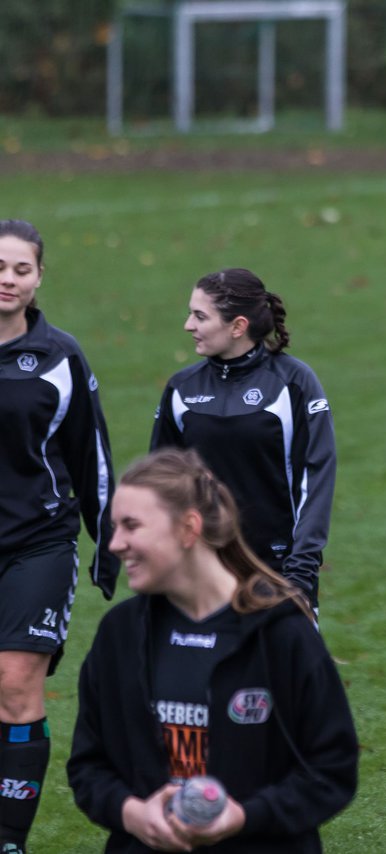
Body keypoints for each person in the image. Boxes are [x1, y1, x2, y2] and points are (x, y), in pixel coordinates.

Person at [67, 448, 358, 853]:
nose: (115, 544)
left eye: (131, 526)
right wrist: (133, 813)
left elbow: (332, 770)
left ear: (189, 528)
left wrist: (246, 817)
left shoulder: (281, 634)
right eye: (114, 527)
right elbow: (87, 767)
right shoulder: (120, 634)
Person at [0, 219, 119, 854]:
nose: (8, 279)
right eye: (0, 267)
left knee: (16, 684)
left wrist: (110, 541)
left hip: (38, 544)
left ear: (39, 276)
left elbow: (89, 451)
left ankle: (10, 840)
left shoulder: (59, 356)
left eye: (21, 269)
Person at [151, 268, 335, 611]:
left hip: (277, 574)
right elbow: (160, 487)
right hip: (198, 574)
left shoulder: (293, 383)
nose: (188, 325)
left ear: (237, 326)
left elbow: (316, 479)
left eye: (200, 316)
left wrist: (300, 573)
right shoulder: (182, 389)